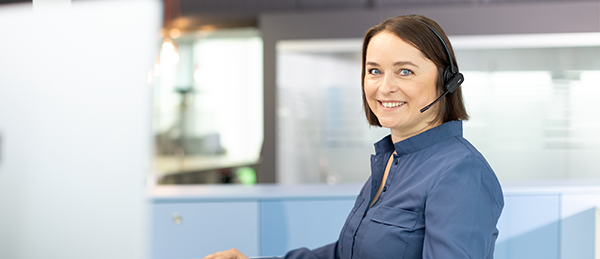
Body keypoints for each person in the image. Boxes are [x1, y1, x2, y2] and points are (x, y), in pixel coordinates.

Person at [203, 14, 504, 259]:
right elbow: (346, 254)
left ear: (447, 81)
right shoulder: (392, 161)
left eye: (405, 72)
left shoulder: (461, 173)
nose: (384, 88)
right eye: (374, 71)